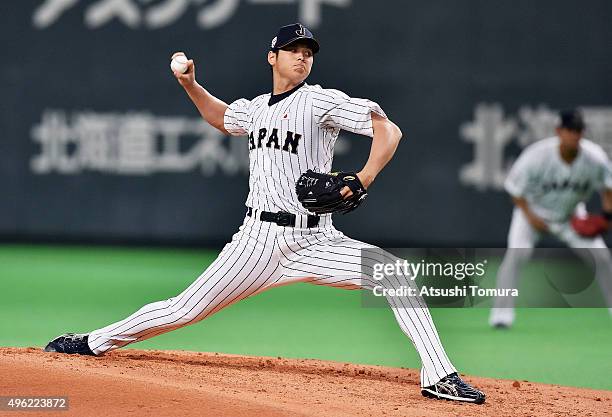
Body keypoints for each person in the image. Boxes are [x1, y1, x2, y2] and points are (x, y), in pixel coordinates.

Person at [45, 23, 485, 404]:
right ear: (272, 57)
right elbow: (222, 119)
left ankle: (439, 375)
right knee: (183, 310)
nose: (302, 57)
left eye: (308, 52)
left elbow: (388, 129)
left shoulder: (320, 101)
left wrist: (364, 178)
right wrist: (190, 86)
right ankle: (94, 341)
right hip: (257, 241)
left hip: (317, 239)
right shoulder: (256, 108)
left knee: (393, 273)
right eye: (294, 50)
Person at [490, 109, 612, 328]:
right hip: (532, 214)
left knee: (602, 257)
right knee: (516, 256)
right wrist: (531, 216)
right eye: (570, 130)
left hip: (571, 216)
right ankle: (501, 316)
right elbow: (514, 190)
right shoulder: (537, 156)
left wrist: (607, 217)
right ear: (559, 131)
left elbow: (608, 187)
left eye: (578, 130)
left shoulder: (594, 158)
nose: (574, 135)